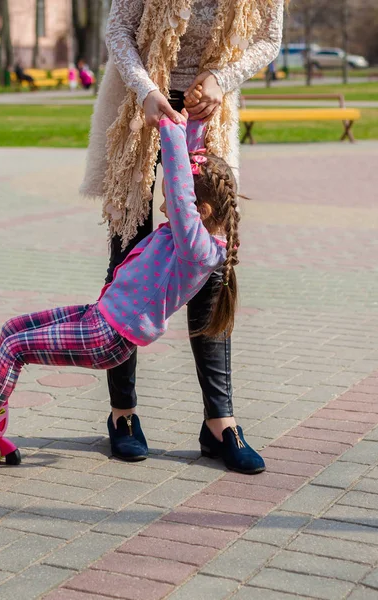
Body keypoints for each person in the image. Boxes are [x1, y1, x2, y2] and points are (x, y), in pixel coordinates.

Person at [0, 115, 263, 474]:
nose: (162, 206)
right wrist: (193, 121)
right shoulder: (199, 231)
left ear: (199, 212)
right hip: (100, 317)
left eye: (168, 199)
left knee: (16, 349)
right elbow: (189, 174)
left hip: (107, 337)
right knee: (12, 329)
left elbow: (182, 187)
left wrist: (168, 129)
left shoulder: (197, 247)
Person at [80, 0, 286, 474]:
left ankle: (220, 424)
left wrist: (222, 79)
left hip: (210, 113)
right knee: (128, 259)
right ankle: (123, 415)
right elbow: (119, 31)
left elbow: (267, 39)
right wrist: (148, 90)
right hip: (138, 111)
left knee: (211, 266)